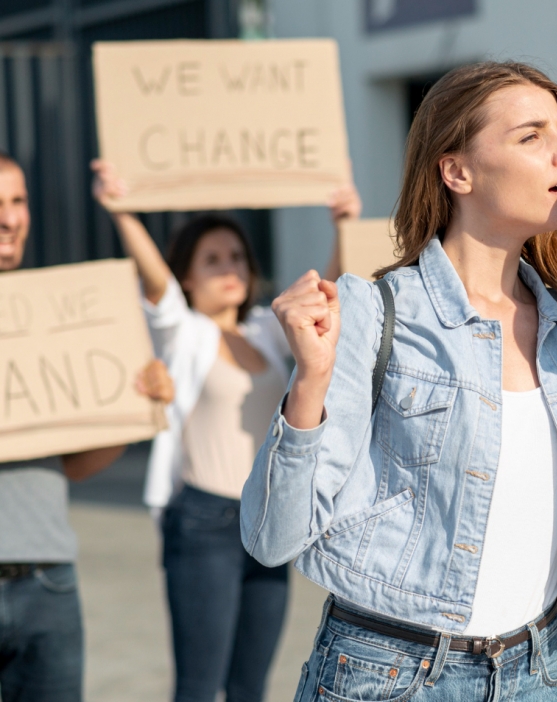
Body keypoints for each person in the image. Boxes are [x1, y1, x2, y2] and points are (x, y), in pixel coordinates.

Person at [241, 61, 557, 701]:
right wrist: (309, 386)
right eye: (531, 135)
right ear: (457, 171)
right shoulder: (372, 313)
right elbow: (270, 539)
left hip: (537, 670)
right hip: (388, 674)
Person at [92, 163, 362, 702]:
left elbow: (326, 296)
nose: (228, 268)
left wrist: (343, 226)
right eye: (211, 260)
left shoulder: (266, 330)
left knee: (249, 686)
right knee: (198, 686)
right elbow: (159, 288)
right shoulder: (182, 333)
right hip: (203, 524)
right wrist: (121, 211)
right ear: (187, 277)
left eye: (236, 256)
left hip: (265, 522)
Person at [0, 151, 174, 702]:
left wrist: (131, 409)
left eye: (18, 200)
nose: (9, 216)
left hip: (48, 580)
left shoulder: (49, 322)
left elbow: (72, 467)